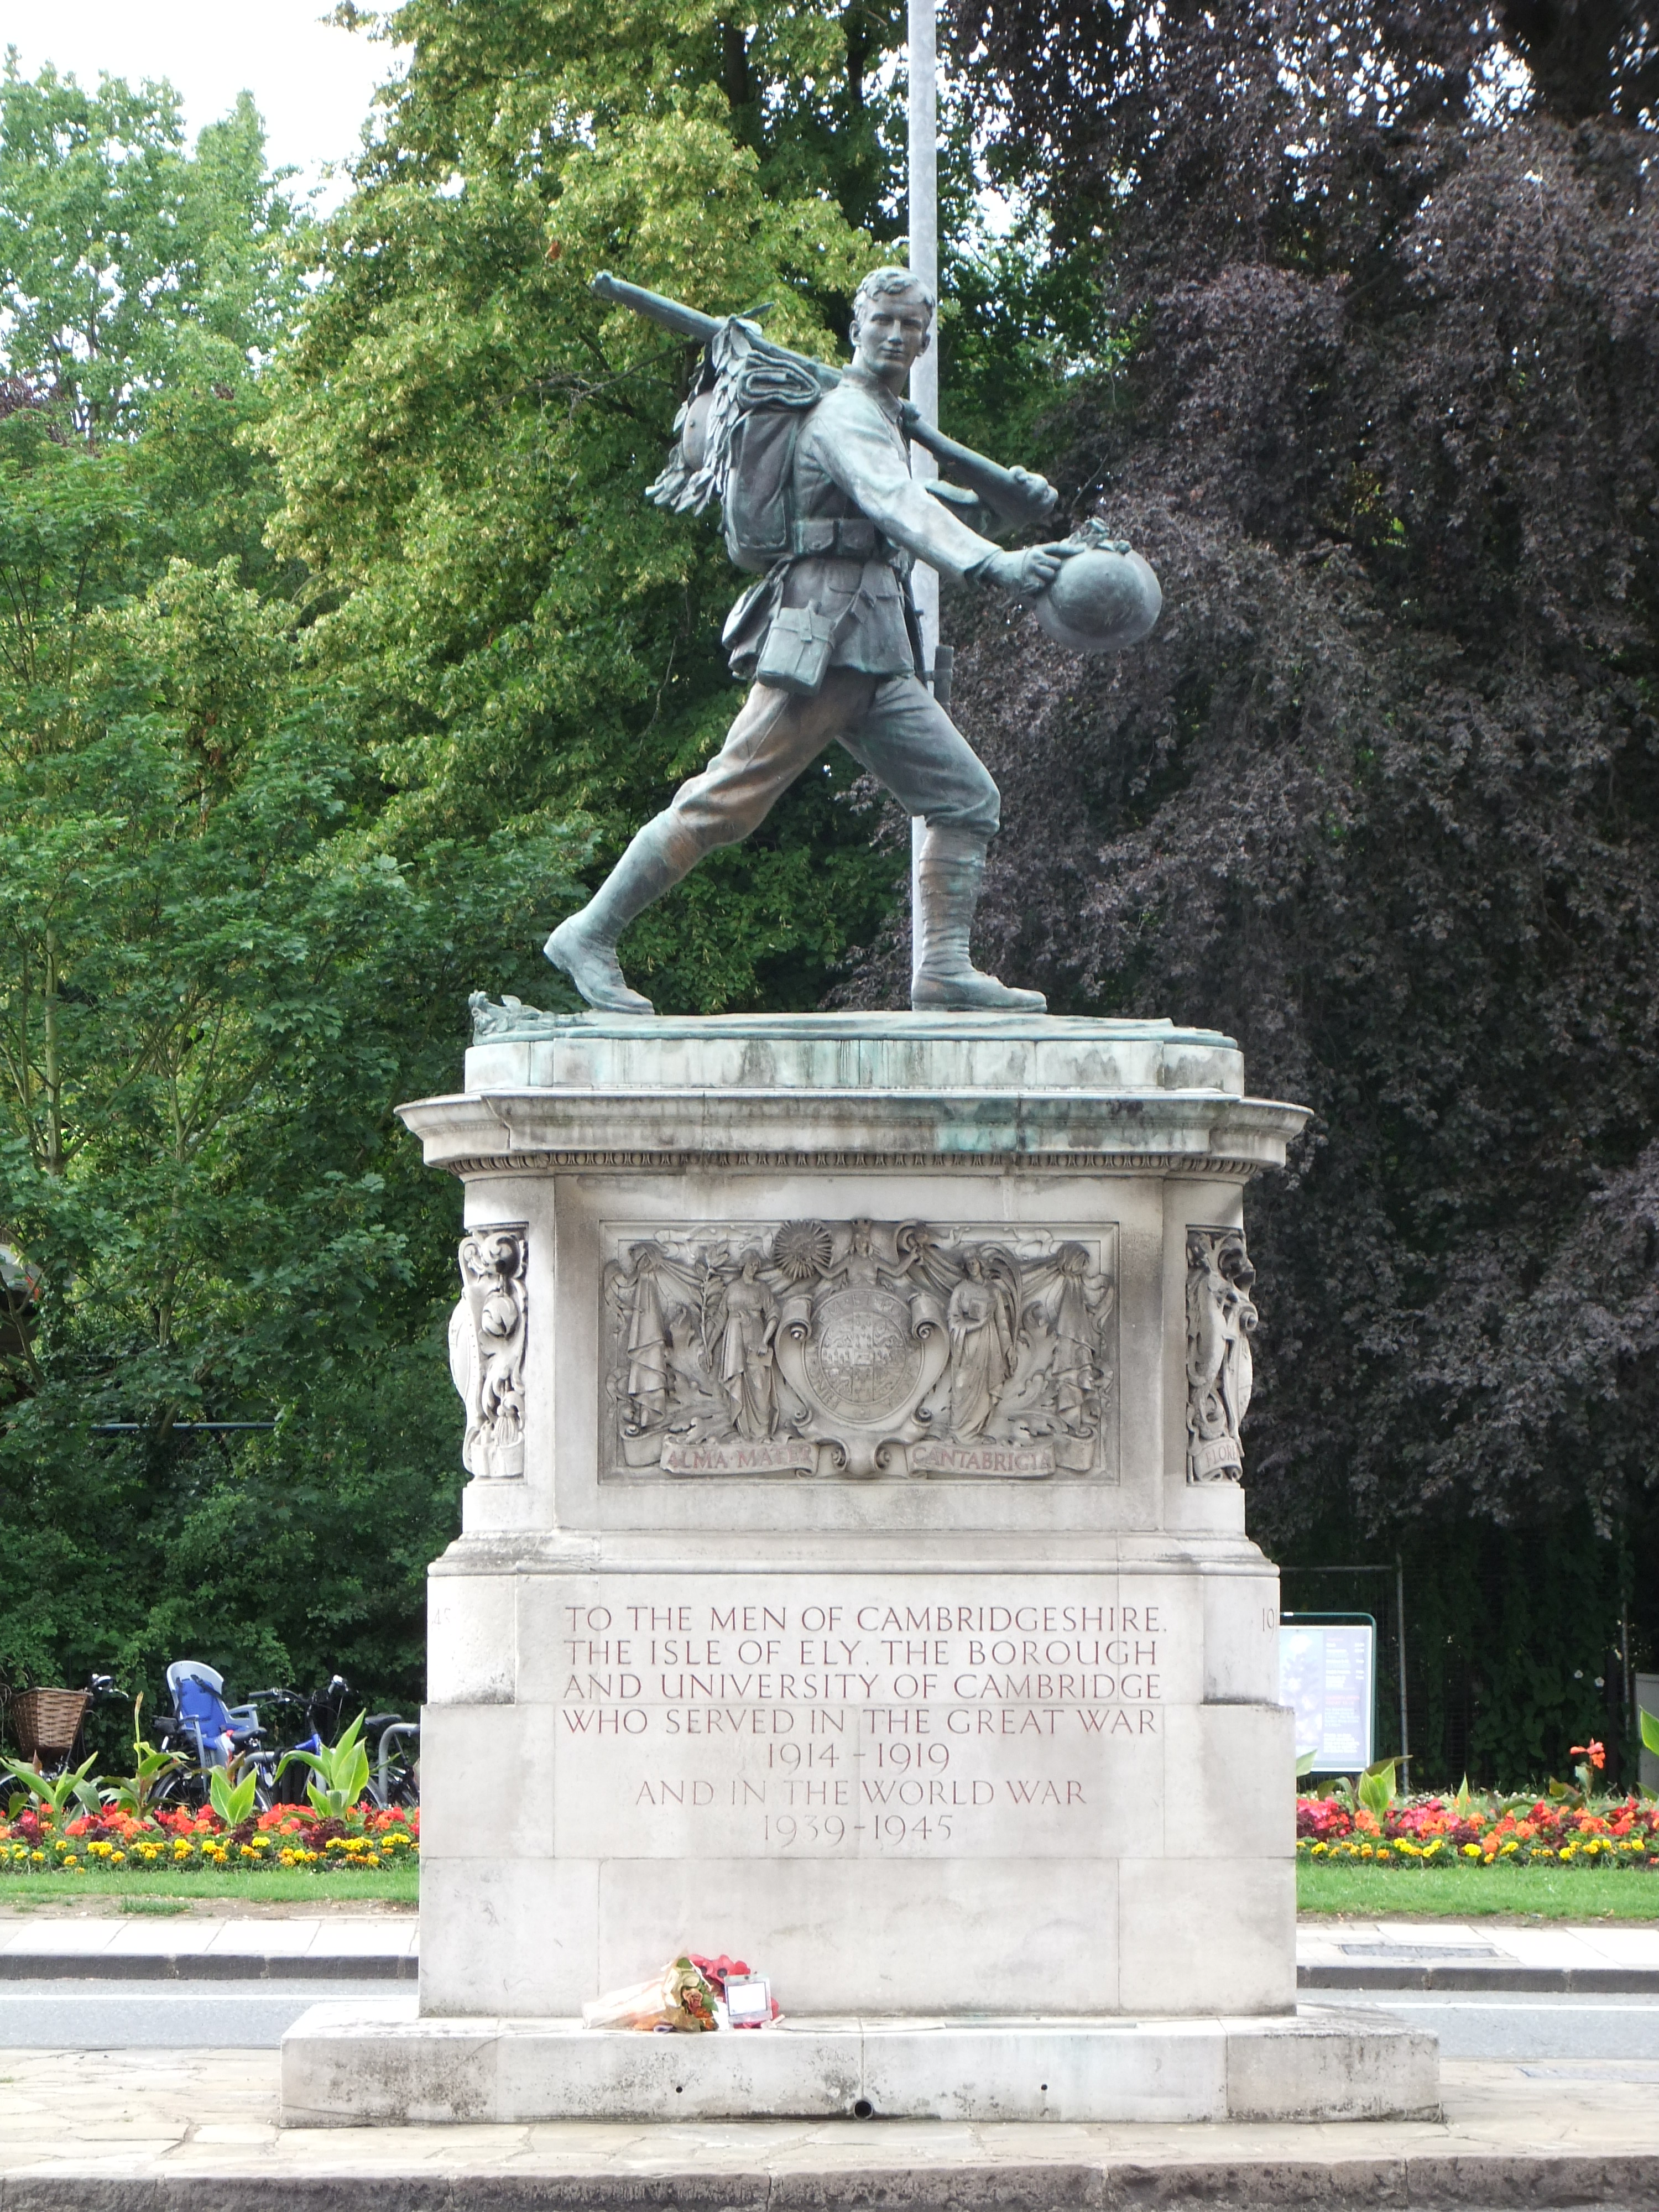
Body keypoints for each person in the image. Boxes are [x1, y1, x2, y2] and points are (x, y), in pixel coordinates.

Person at [545, 266, 1079, 1016]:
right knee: (724, 801)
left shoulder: (884, 420)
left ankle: (944, 970)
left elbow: (926, 508)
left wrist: (1005, 500)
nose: (896, 335)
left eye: (911, 326)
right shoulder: (845, 417)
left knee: (964, 798)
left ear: (926, 340)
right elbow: (897, 507)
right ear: (855, 328)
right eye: (883, 321)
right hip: (823, 645)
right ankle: (589, 934)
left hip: (877, 651)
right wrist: (997, 564)